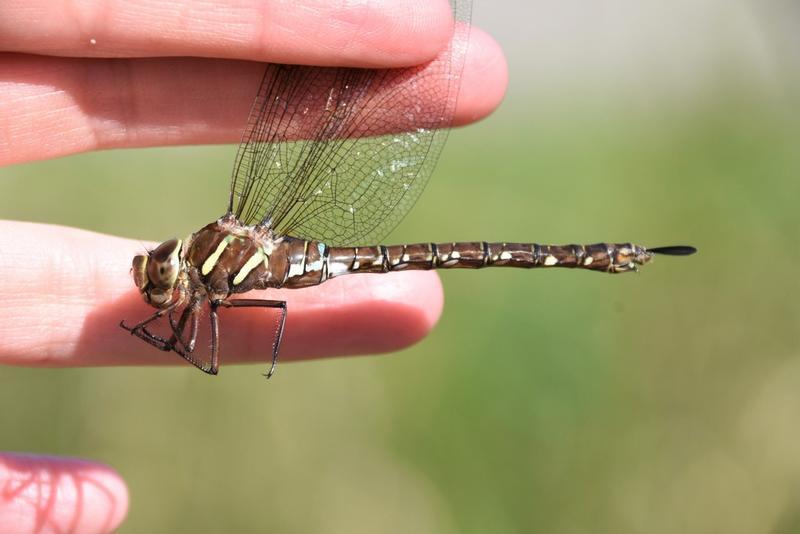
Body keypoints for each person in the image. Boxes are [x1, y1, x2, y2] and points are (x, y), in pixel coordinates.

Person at [0, 0, 507, 530]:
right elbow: (192, 341)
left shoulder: (203, 288)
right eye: (159, 268)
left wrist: (155, 329)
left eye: (161, 270)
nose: (157, 273)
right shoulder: (204, 278)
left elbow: (203, 358)